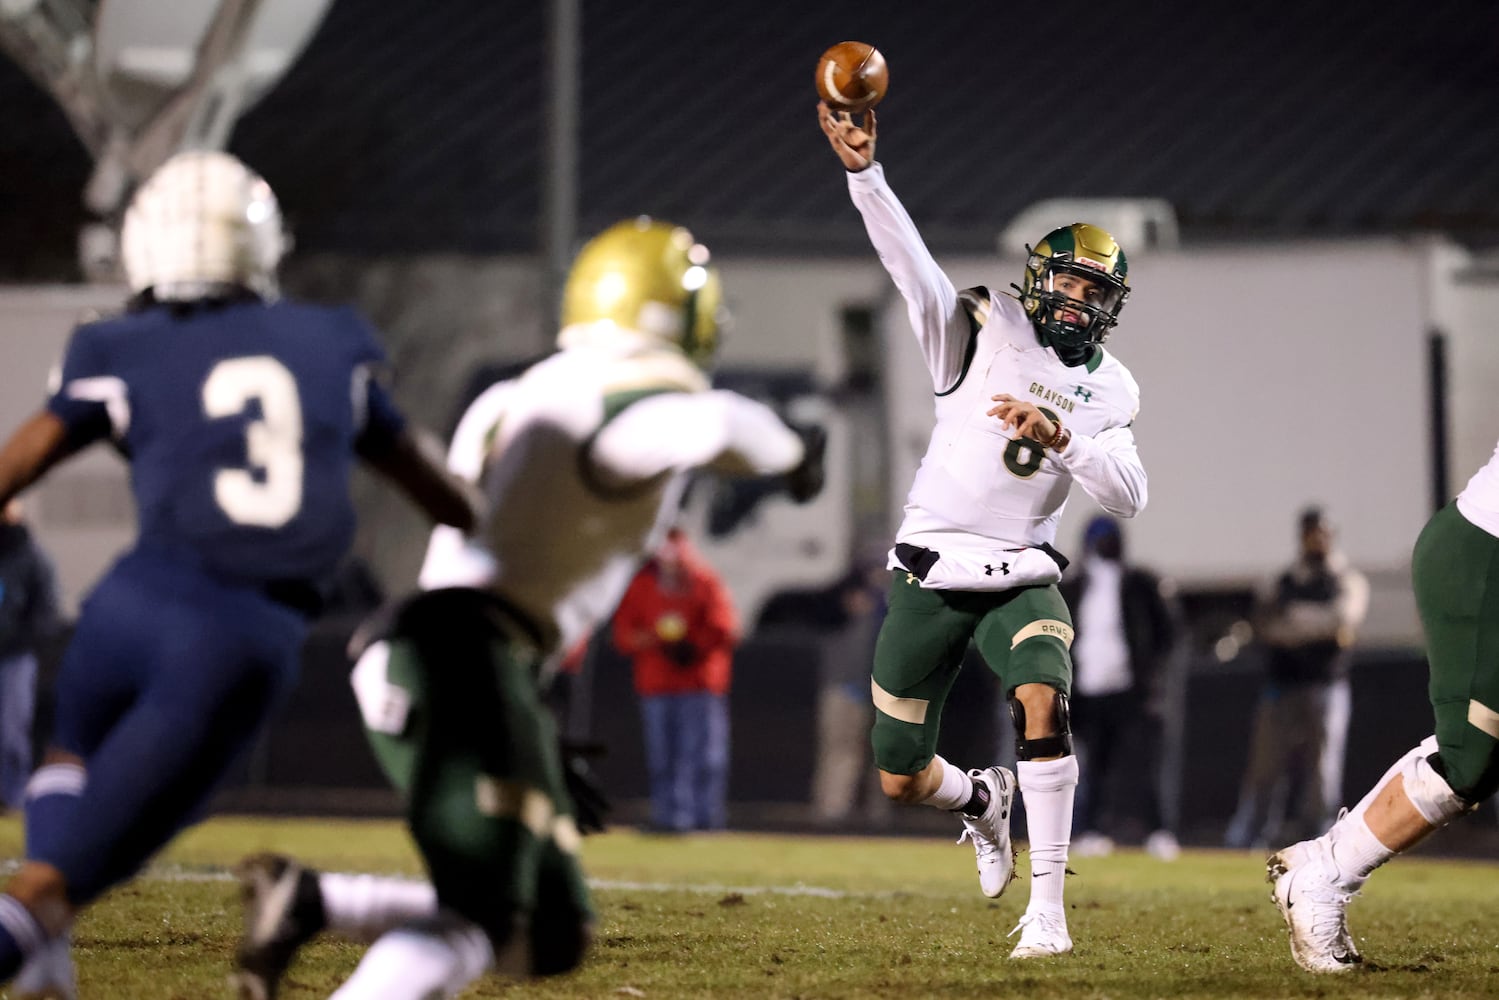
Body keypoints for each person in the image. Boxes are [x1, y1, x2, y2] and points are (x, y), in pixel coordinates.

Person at [231, 216, 825, 1000]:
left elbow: (493, 551)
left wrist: (523, 713)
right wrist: (795, 456)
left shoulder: (519, 395)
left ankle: (313, 902)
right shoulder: (646, 407)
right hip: (462, 659)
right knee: (483, 914)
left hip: (445, 651)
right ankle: (320, 923)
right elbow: (714, 424)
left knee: (551, 931)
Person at [0, 149, 479, 999]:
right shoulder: (330, 343)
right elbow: (442, 495)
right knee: (50, 891)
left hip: (129, 603)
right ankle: (35, 940)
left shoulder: (118, 345)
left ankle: (46, 964)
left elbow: (23, 459)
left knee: (69, 755)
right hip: (231, 638)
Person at [817, 103, 1148, 959]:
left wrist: (1062, 437)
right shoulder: (974, 326)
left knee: (1043, 699)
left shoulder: (1110, 391)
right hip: (928, 571)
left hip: (1019, 574)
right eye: (1065, 283)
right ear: (1037, 280)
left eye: (1091, 291)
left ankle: (1048, 916)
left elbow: (1127, 496)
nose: (1075, 302)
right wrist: (864, 174)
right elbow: (907, 263)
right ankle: (978, 802)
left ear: (1109, 306)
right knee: (897, 774)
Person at [1268, 443, 1499, 973]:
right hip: (1485, 559)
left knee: (1476, 754)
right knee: (1470, 758)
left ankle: (1323, 861)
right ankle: (1326, 875)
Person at [1226, 507, 1369, 849]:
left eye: (1322, 532)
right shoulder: (1286, 579)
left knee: (1323, 768)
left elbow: (1342, 619)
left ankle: (1320, 836)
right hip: (1283, 684)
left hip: (1326, 683)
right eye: (1311, 532)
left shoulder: (1344, 578)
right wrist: (1309, 626)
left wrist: (1296, 622)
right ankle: (1252, 832)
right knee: (1266, 764)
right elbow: (1265, 625)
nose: (1317, 539)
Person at [1060, 514, 1180, 860]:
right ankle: (1094, 830)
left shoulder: (1139, 583)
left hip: (1131, 690)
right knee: (1094, 765)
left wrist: (1151, 676)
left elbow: (1166, 632)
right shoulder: (1075, 586)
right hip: (1089, 691)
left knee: (1143, 763)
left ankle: (1158, 831)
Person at [611, 526, 740, 832]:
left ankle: (704, 818)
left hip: (697, 683)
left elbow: (725, 627)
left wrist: (693, 646)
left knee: (703, 757)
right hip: (657, 685)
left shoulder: (704, 581)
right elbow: (624, 634)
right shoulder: (643, 585)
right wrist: (654, 642)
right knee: (663, 758)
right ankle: (669, 817)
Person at [810, 561, 891, 827]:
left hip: (883, 691)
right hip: (845, 687)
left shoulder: (893, 602)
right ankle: (832, 810)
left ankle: (879, 815)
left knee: (884, 754)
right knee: (841, 750)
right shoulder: (841, 598)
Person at [0, 500, 60, 812]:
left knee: (11, 733)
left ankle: (12, 800)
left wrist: (24, 637)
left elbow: (46, 609)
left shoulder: (29, 556)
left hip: (14, 656)